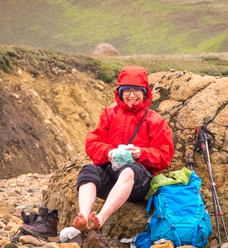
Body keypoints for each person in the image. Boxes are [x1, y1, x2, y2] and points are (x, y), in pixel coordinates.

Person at [72, 66, 174, 233]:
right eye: (127, 90)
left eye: (137, 91)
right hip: (112, 177)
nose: (132, 95)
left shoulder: (155, 120)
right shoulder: (109, 114)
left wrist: (141, 153)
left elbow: (165, 155)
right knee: (88, 171)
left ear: (145, 93)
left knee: (129, 170)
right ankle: (83, 217)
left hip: (139, 183)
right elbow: (92, 143)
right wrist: (109, 152)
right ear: (120, 92)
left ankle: (101, 217)